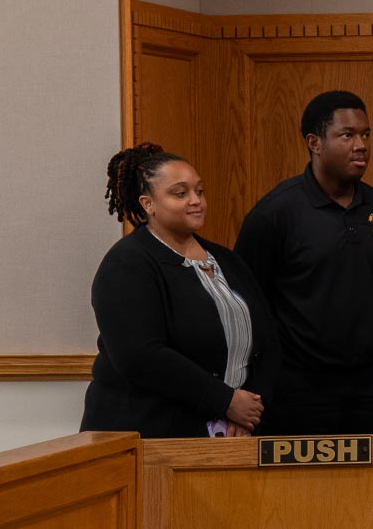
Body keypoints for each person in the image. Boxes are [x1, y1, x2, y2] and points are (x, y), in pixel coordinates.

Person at [81, 143, 278, 438]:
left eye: (200, 191)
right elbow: (140, 356)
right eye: (180, 193)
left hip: (233, 432)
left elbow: (269, 340)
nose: (196, 201)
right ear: (148, 204)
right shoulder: (126, 264)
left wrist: (248, 412)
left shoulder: (228, 261)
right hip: (146, 434)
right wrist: (226, 402)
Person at [234, 91, 373, 434]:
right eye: (347, 135)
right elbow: (245, 304)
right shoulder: (275, 213)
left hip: (370, 385)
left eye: (366, 134)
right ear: (315, 143)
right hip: (298, 388)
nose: (361, 145)